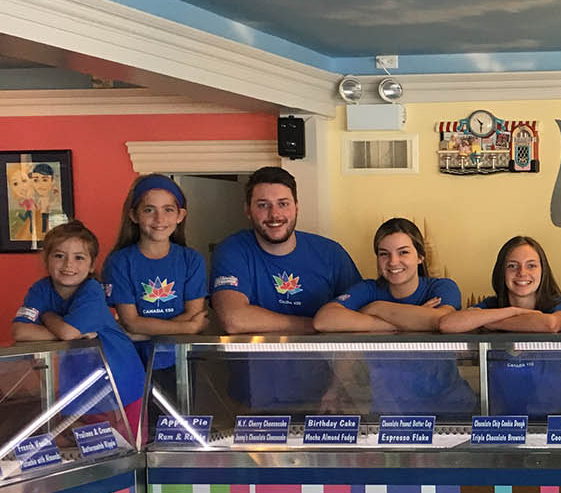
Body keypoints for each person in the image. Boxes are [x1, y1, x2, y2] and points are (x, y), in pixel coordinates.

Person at [210, 166, 359, 407]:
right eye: (262, 205)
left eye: (283, 203)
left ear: (297, 207)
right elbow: (234, 319)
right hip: (254, 396)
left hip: (323, 394)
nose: (274, 214)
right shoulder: (233, 250)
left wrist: (338, 386)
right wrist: (316, 325)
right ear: (247, 210)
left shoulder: (330, 253)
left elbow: (357, 324)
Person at [314, 218, 476, 416]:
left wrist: (376, 308)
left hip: (449, 408)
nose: (393, 261)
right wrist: (408, 322)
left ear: (420, 257)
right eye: (384, 254)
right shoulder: (368, 289)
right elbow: (324, 320)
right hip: (391, 413)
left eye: (403, 252)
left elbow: (442, 321)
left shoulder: (441, 287)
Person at [13, 222, 146, 437]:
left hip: (121, 377)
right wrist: (67, 331)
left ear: (92, 265)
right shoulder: (40, 289)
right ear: (46, 259)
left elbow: (67, 334)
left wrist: (47, 316)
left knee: (124, 444)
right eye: (59, 256)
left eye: (79, 257)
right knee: (89, 443)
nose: (68, 264)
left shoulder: (91, 290)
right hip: (81, 380)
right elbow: (20, 332)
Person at [440, 235, 561, 416]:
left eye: (531, 265)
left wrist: (486, 321)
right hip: (501, 418)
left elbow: (550, 324)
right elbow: (448, 324)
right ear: (501, 271)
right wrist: (514, 311)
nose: (522, 272)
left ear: (543, 271)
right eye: (512, 266)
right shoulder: (491, 305)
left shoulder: (558, 305)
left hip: (554, 415)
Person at [103, 175, 208, 377]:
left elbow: (194, 315)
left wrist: (142, 333)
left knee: (179, 409)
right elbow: (131, 321)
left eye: (168, 210)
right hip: (131, 360)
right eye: (149, 210)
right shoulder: (119, 262)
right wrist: (188, 328)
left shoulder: (191, 260)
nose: (159, 219)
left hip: (180, 360)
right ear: (134, 215)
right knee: (138, 409)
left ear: (180, 215)